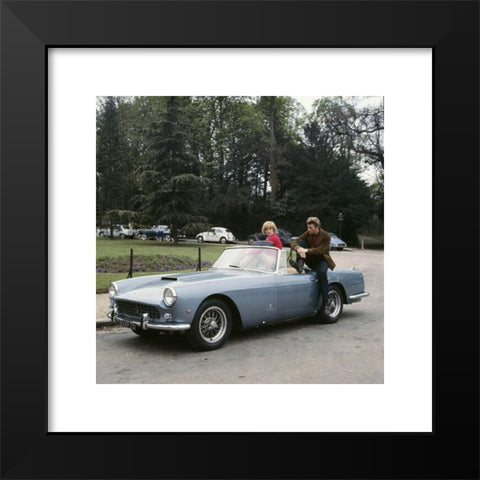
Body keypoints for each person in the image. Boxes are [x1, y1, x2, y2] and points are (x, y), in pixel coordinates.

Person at [290, 216, 336, 312]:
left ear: (317, 227)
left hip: (322, 260)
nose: (308, 229)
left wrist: (306, 250)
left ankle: (326, 301)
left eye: (310, 227)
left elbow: (320, 250)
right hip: (310, 259)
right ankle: (299, 264)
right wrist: (298, 249)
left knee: (322, 274)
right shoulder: (308, 233)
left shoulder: (326, 236)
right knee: (301, 242)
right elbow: (294, 241)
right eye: (308, 227)